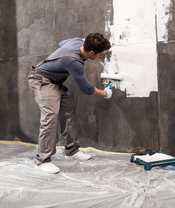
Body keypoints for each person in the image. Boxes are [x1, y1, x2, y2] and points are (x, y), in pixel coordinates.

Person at [28, 33, 112, 174]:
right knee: (50, 116)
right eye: (100, 54)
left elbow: (62, 42)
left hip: (54, 82)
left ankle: (71, 151)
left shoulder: (78, 41)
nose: (100, 57)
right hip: (40, 80)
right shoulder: (74, 62)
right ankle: (42, 160)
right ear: (92, 52)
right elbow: (87, 89)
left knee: (68, 111)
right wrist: (105, 93)